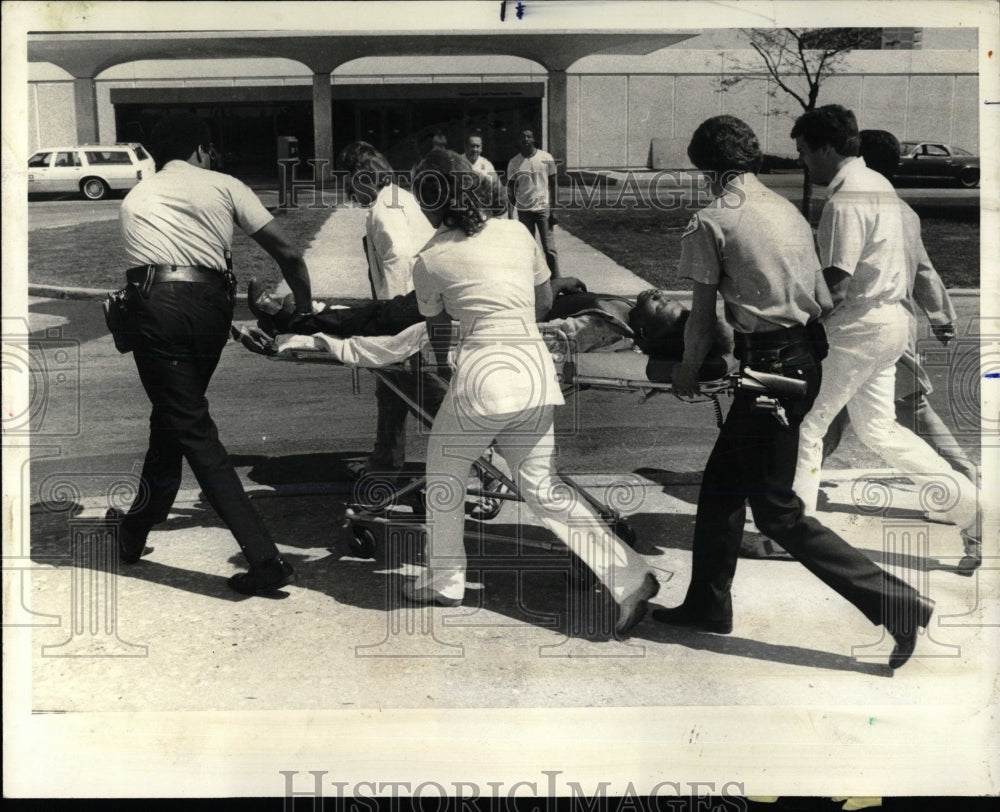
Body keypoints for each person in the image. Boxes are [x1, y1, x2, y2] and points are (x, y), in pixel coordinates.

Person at [651, 115, 934, 669]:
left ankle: (896, 604)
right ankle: (708, 604)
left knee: (778, 511)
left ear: (706, 168)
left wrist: (688, 368)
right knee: (720, 490)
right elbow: (825, 302)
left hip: (770, 372)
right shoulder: (788, 211)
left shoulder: (710, 220)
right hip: (803, 357)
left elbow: (704, 320)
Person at [403, 148, 659, 634]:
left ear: (429, 201)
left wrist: (445, 364)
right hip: (535, 371)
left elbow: (437, 330)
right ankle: (630, 578)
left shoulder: (431, 258)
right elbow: (544, 302)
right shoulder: (518, 232)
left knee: (444, 472)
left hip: (483, 376)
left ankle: (445, 581)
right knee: (542, 487)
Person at [108, 111, 314, 595]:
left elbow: (155, 264)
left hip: (155, 306)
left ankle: (264, 558)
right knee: (174, 420)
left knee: (188, 425)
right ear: (201, 149)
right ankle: (133, 531)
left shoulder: (137, 196)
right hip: (212, 308)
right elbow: (289, 252)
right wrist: (303, 310)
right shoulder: (225, 184)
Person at [790, 106, 980, 573]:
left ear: (827, 147)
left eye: (804, 152)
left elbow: (835, 286)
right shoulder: (880, 187)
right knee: (879, 429)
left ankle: (796, 532)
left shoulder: (847, 198)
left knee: (809, 426)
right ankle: (974, 509)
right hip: (891, 322)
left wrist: (793, 322)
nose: (803, 163)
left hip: (858, 325)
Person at [821, 129, 978, 488]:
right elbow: (923, 267)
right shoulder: (900, 208)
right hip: (891, 325)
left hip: (870, 327)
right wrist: (941, 315)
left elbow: (915, 268)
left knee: (909, 408)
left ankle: (963, 478)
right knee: (829, 415)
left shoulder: (865, 204)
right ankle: (783, 485)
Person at [333, 140, 441, 477]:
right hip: (422, 303)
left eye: (346, 182)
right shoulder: (399, 197)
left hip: (411, 311)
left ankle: (487, 454)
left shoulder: (384, 210)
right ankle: (384, 460)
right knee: (391, 387)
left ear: (360, 177)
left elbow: (400, 258)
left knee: (419, 391)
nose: (346, 192)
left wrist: (392, 320)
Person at [506, 128, 561, 277]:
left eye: (528, 136)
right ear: (519, 141)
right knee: (527, 248)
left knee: (549, 248)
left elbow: (554, 184)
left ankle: (556, 279)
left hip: (543, 209)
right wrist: (510, 214)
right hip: (524, 211)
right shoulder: (514, 162)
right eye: (522, 137)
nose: (525, 139)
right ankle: (531, 279)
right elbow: (511, 189)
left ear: (533, 139)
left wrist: (554, 210)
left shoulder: (546, 157)